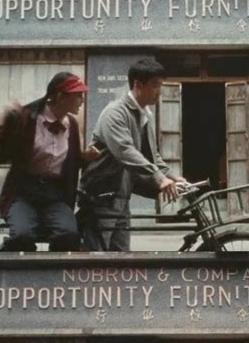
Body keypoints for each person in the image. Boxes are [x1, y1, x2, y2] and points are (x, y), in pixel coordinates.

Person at [79, 57, 186, 251]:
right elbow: (125, 151)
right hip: (102, 196)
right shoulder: (115, 113)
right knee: (95, 257)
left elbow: (152, 156)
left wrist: (171, 176)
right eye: (155, 85)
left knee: (121, 256)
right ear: (138, 84)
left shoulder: (143, 115)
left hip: (122, 195)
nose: (159, 92)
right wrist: (159, 178)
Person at [0, 71, 99, 251]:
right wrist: (8, 126)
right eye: (77, 96)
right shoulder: (27, 119)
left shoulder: (71, 124)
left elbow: (70, 162)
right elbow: (0, 156)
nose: (82, 100)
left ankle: (54, 274)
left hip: (55, 195)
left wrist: (85, 157)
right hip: (23, 192)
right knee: (22, 236)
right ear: (59, 97)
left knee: (69, 235)